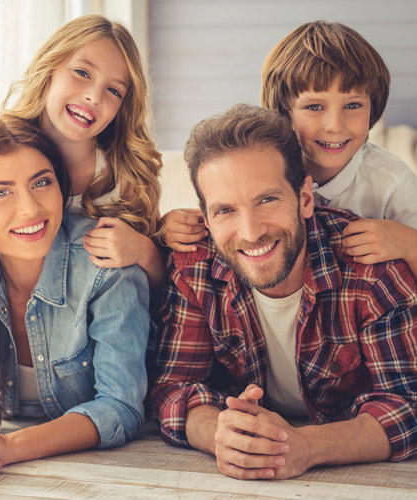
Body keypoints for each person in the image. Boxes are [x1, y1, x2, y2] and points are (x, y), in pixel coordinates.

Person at [151, 104, 417, 481]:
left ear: (305, 198)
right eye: (225, 210)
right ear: (206, 218)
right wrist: (218, 434)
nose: (250, 231)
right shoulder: (193, 268)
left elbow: (409, 407)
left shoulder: (372, 268)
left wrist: (306, 446)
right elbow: (172, 389)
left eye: (267, 200)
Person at [0, 116, 149, 486]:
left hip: (100, 477)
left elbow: (119, 407)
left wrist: (7, 445)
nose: (30, 209)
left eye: (41, 182)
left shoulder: (105, 265)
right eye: (0, 192)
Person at [2, 14, 165, 289]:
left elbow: (160, 289)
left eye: (113, 90)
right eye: (82, 73)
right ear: (50, 66)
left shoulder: (126, 177)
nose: (94, 96)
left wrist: (143, 251)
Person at [260, 20, 417, 279]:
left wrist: (409, 243)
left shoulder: (393, 183)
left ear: (373, 107)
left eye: (353, 105)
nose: (335, 126)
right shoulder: (264, 169)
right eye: (314, 107)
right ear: (284, 112)